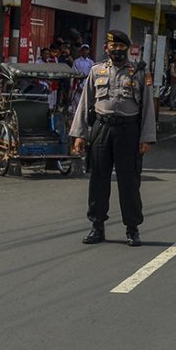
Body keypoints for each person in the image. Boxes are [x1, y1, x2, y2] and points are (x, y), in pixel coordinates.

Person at [69, 30, 156, 247]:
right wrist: (80, 135)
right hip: (101, 129)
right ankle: (97, 226)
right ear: (106, 48)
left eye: (120, 46)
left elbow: (148, 107)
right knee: (98, 180)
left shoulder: (139, 72)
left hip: (129, 131)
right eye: (112, 46)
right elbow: (85, 103)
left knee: (129, 182)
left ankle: (132, 229)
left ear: (127, 48)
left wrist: (146, 137)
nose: (116, 50)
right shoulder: (96, 70)